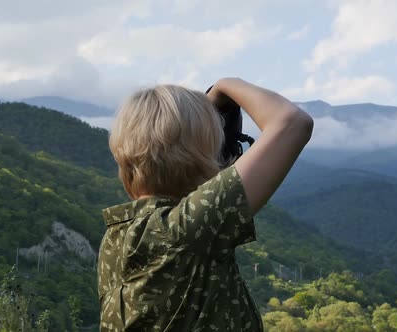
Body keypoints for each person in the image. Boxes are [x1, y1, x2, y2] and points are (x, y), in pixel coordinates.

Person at [98, 78, 314, 331]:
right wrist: (223, 86)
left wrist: (200, 117)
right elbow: (292, 123)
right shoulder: (186, 228)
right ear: (197, 153)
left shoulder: (117, 237)